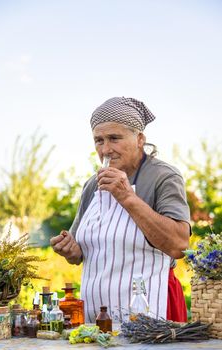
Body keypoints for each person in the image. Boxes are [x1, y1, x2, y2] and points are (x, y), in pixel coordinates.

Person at [50, 96, 191, 323]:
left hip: (153, 308)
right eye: (99, 140)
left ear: (140, 139)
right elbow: (79, 254)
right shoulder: (91, 185)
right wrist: (69, 249)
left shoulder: (163, 177)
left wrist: (127, 196)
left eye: (114, 138)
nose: (105, 149)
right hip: (98, 315)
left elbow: (179, 245)